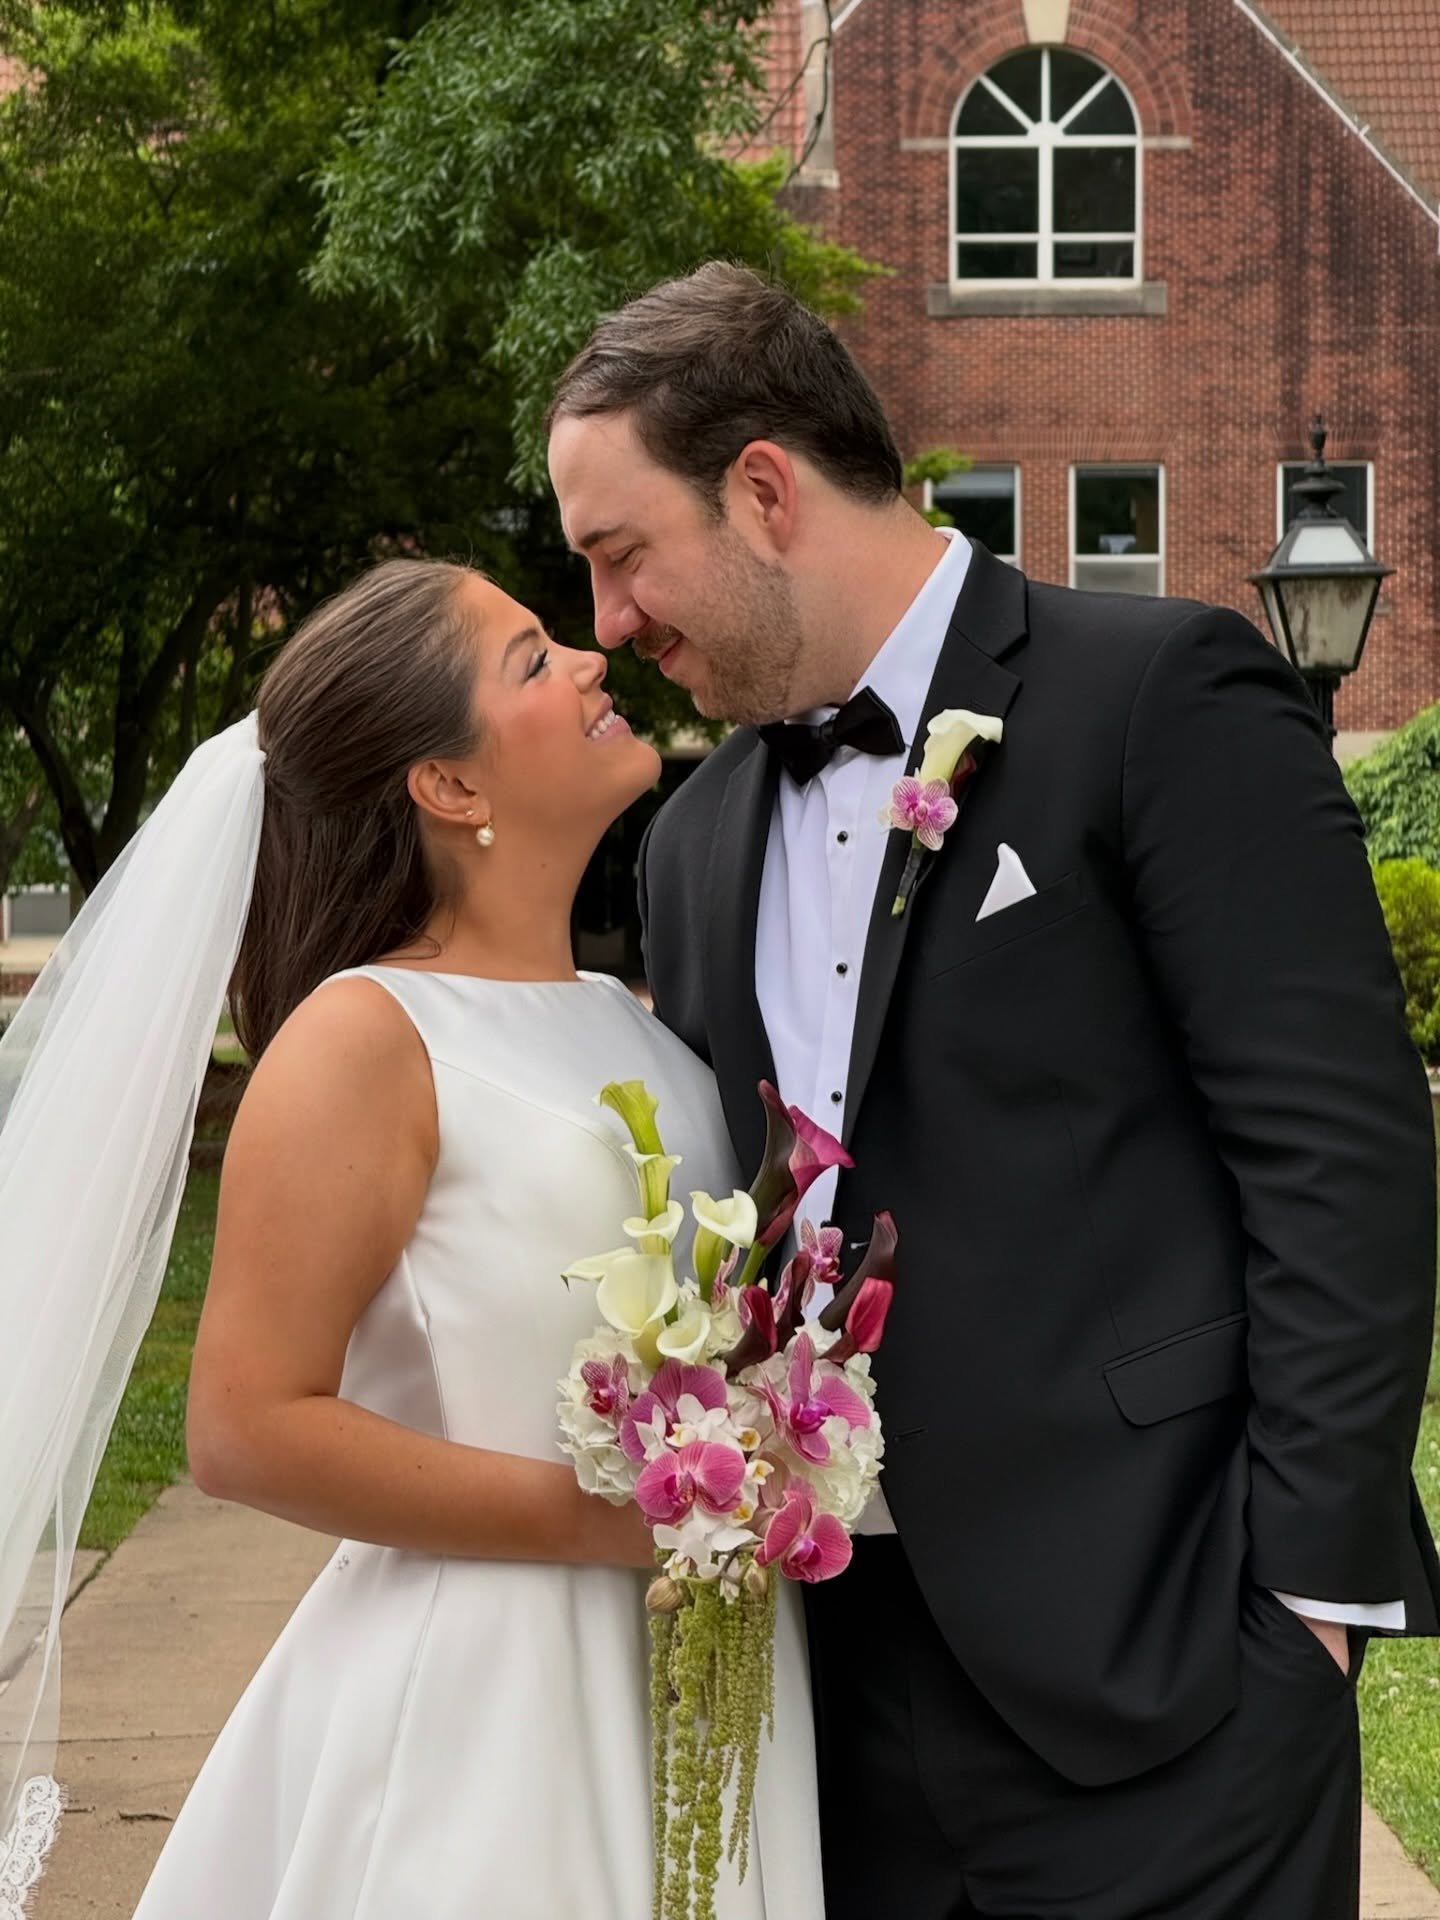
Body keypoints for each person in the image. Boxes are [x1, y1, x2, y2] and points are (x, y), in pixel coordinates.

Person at [547, 262, 1440, 1920]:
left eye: (620, 556)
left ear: (763, 488)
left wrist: (1307, 1610)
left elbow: (1344, 1159)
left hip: (1169, 1668)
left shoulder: (1162, 696)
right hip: (831, 1700)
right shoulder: (687, 844)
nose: (610, 623)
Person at [0, 559, 823, 1919]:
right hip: (489, 1705)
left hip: (694, 1677)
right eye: (530, 659)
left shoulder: (634, 1024)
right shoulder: (365, 1039)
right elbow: (243, 1424)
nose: (588, 660)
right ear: (448, 786)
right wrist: (623, 1523)